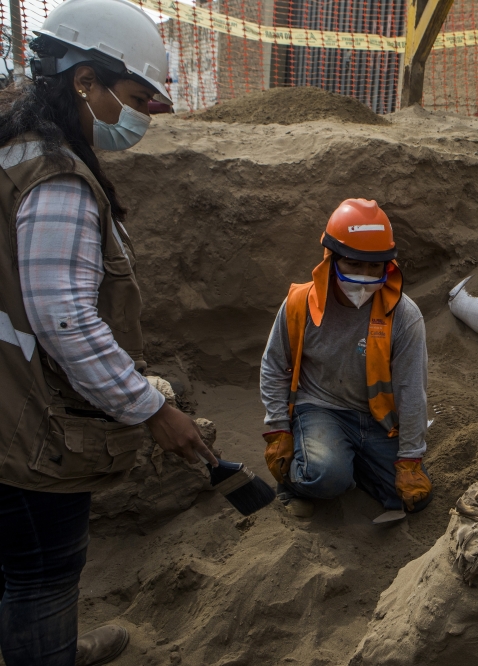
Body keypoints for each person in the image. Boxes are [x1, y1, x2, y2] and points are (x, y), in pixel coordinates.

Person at [0, 0, 219, 664]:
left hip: (8, 399)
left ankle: (49, 645)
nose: (139, 115)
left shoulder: (15, 150)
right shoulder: (58, 180)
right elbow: (64, 318)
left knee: (13, 567)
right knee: (42, 575)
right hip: (31, 429)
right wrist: (151, 409)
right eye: (131, 96)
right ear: (82, 80)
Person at [260, 199, 432, 520]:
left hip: (376, 419)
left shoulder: (403, 315)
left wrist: (410, 461)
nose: (364, 276)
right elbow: (273, 367)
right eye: (354, 264)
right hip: (320, 409)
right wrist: (278, 431)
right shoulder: (299, 305)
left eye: (374, 267)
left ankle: (351, 464)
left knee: (415, 499)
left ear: (387, 266)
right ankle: (296, 483)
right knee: (326, 477)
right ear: (331, 259)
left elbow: (412, 390)